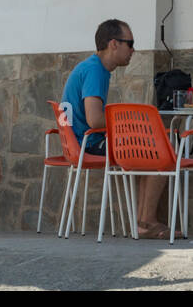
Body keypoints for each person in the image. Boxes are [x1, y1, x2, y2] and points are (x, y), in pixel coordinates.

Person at [60, 19, 171, 238]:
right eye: (130, 43)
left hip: (81, 143)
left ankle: (142, 222)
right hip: (89, 144)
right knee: (160, 152)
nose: (133, 50)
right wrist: (126, 126)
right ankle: (146, 222)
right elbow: (95, 120)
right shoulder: (95, 71)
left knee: (147, 149)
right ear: (114, 44)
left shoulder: (90, 67)